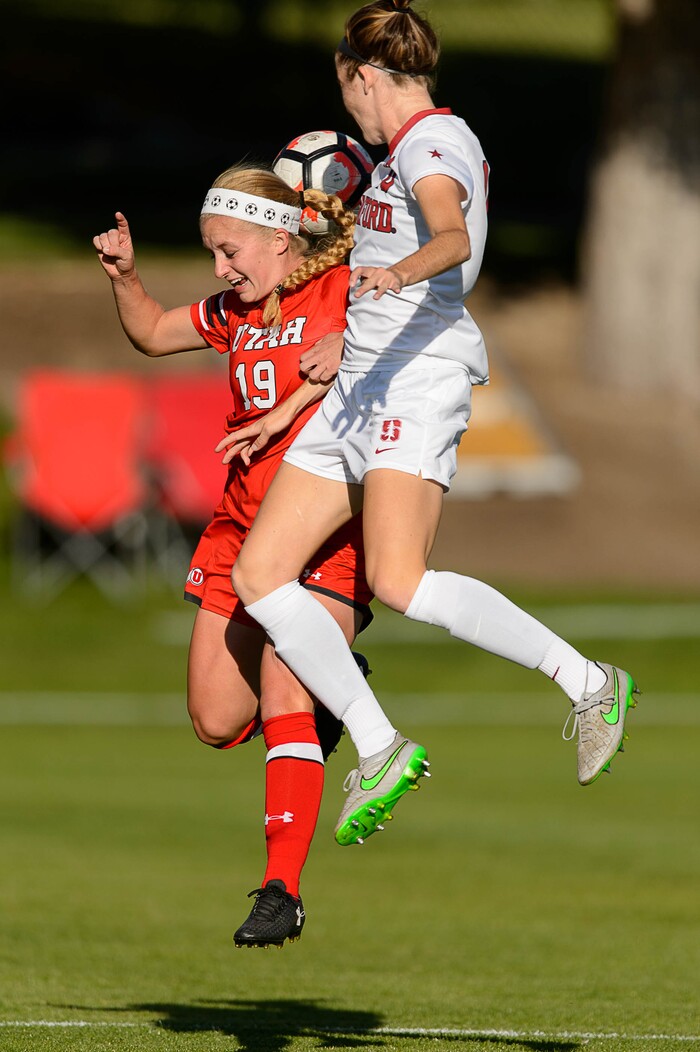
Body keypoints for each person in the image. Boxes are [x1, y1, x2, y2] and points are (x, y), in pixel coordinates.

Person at [226, 0, 640, 849]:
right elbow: (397, 261)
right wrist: (340, 342)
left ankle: (589, 679)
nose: (346, 104)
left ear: (363, 75)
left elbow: (450, 238)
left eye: (346, 88)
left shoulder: (432, 144)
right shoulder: (390, 162)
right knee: (261, 575)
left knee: (402, 582)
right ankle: (379, 746)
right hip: (359, 385)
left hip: (416, 386)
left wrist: (397, 275)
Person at [93, 164, 396, 948]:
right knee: (216, 717)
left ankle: (280, 890)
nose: (222, 269)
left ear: (280, 235)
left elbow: (419, 306)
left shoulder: (342, 290)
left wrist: (355, 331)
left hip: (324, 531)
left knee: (284, 686)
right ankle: (332, 693)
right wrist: (126, 277)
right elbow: (155, 332)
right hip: (237, 527)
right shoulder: (236, 312)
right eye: (213, 253)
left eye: (231, 251)